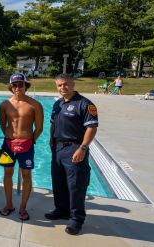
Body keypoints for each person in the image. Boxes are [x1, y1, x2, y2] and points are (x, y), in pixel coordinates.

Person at [47, 74, 98, 235]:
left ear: (73, 84)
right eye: (60, 85)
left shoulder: (85, 104)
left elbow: (92, 127)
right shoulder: (57, 104)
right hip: (58, 148)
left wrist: (82, 148)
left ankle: (76, 219)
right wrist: (51, 141)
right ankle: (61, 210)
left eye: (66, 84)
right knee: (58, 182)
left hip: (75, 147)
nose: (63, 88)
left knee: (76, 185)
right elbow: (53, 124)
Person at [0, 73, 44, 221]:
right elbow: (3, 125)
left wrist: (31, 141)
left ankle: (23, 208)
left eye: (20, 84)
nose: (17, 87)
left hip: (27, 145)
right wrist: (10, 137)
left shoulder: (35, 105)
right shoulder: (5, 104)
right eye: (14, 85)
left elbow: (39, 128)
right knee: (7, 174)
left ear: (26, 86)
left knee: (26, 175)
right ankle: (9, 204)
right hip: (9, 144)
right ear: (11, 87)